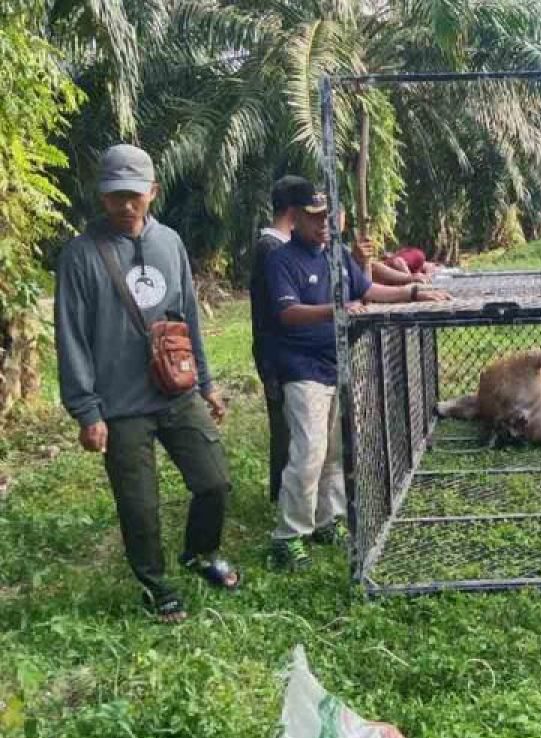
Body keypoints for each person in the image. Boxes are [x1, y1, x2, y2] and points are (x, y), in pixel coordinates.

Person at [54, 144, 240, 623]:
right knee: (140, 505)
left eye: (134, 195)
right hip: (120, 405)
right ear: (102, 197)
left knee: (214, 481)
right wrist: (87, 410)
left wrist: (206, 383)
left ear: (153, 192)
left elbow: (188, 319)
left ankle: (200, 554)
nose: (125, 205)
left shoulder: (170, 242)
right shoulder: (80, 255)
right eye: (115, 195)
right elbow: (70, 335)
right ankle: (156, 584)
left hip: (176, 392)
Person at [265, 186, 451, 570]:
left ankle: (325, 520)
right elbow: (286, 314)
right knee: (310, 450)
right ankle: (288, 536)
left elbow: (369, 290)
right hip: (302, 367)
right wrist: (332, 311)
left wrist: (414, 291)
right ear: (296, 217)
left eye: (330, 216)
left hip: (338, 363)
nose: (324, 224)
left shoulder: (335, 255)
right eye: (315, 217)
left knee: (335, 449)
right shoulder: (280, 259)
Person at [252, 175, 310, 503]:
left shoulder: (278, 247)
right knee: (286, 428)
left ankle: (287, 492)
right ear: (294, 211)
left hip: (283, 351)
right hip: (277, 353)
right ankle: (284, 495)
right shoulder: (271, 249)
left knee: (291, 424)